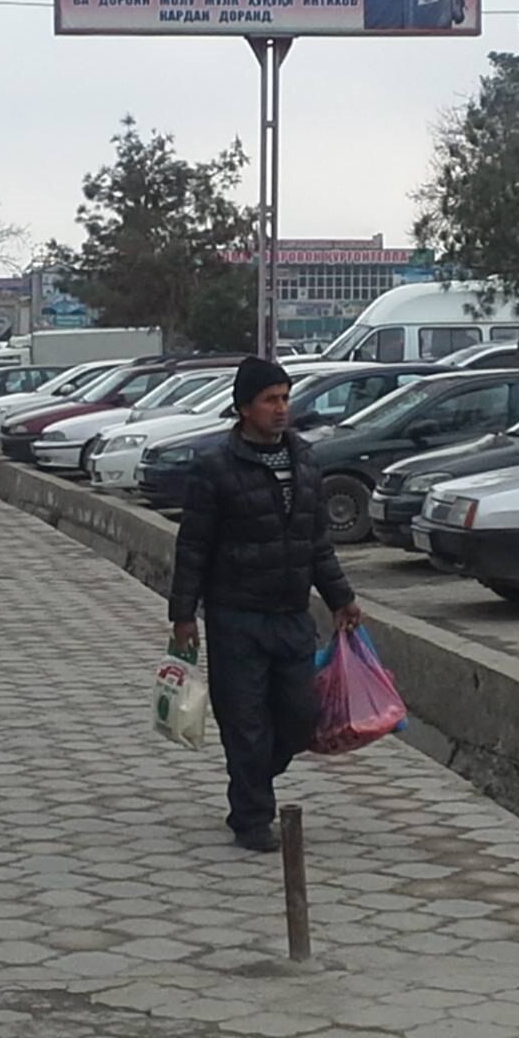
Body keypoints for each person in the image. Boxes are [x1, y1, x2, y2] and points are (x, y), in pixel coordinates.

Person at [167, 357, 362, 853]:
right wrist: (183, 614)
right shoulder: (214, 467)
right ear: (243, 408)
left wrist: (341, 597)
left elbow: (316, 540)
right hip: (236, 617)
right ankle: (252, 815)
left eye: (284, 397)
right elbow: (194, 545)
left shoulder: (303, 458)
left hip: (292, 615)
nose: (281, 409)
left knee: (299, 717)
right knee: (245, 721)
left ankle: (254, 778)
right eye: (270, 400)